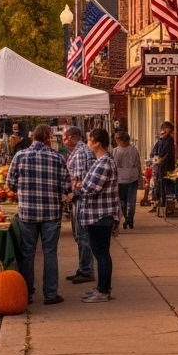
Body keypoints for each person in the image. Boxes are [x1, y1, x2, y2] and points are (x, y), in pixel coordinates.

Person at [6, 124, 72, 305]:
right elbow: (66, 187)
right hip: (51, 213)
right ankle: (50, 294)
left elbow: (10, 183)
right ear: (48, 137)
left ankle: (26, 292)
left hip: (27, 213)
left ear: (33, 137)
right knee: (50, 252)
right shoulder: (57, 157)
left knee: (28, 253)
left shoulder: (20, 156)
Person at [73, 127, 119, 303]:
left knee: (101, 253)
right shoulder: (100, 161)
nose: (87, 143)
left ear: (97, 142)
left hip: (100, 215)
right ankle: (101, 287)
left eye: (89, 140)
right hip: (96, 214)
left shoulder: (104, 163)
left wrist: (77, 188)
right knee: (99, 252)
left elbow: (91, 188)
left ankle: (104, 290)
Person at [62, 126, 96, 286]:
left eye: (64, 138)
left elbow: (82, 179)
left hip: (82, 200)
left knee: (83, 236)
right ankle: (83, 268)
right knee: (80, 236)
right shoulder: (77, 152)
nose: (63, 141)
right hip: (78, 200)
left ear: (72, 137)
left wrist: (72, 194)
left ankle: (87, 270)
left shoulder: (82, 152)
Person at [112, 132, 143, 228]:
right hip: (132, 178)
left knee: (123, 201)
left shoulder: (115, 151)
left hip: (120, 179)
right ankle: (130, 219)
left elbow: (113, 166)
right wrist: (140, 178)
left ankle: (126, 218)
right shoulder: (134, 150)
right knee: (131, 200)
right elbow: (138, 165)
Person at [149, 122, 177, 210]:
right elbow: (154, 152)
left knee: (164, 184)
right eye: (163, 129)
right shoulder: (160, 141)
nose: (164, 131)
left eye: (166, 129)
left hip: (166, 166)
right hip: (159, 166)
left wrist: (160, 158)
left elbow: (166, 153)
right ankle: (158, 202)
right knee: (158, 184)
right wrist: (155, 158)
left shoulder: (169, 140)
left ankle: (163, 203)